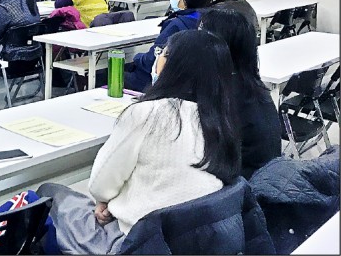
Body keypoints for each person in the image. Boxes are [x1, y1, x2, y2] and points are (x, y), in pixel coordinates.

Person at [38, 30, 240, 254]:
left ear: (174, 65)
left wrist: (107, 202)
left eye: (162, 52)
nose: (157, 57)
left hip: (135, 243)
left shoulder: (147, 114)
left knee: (49, 192)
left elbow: (99, 186)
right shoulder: (222, 118)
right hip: (193, 240)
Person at [199, 9, 280, 179]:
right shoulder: (249, 84)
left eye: (200, 34)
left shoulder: (225, 96)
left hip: (239, 188)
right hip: (257, 180)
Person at [124, 0, 214, 92]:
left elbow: (152, 61)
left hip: (161, 81)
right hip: (194, 82)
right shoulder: (211, 20)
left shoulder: (177, 25)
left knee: (109, 74)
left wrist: (137, 58)